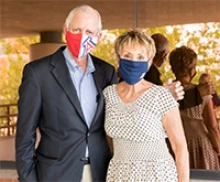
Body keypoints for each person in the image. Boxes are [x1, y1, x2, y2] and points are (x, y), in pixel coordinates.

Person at [16, 5, 118, 182]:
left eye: (89, 32)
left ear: (98, 37)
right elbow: (25, 135)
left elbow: (122, 116)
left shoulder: (107, 73)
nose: (81, 36)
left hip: (100, 172)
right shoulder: (38, 73)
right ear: (65, 29)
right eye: (76, 29)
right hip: (56, 174)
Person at [103, 29, 189, 182]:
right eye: (127, 56)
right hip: (119, 174)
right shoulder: (108, 95)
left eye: (140, 57)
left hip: (157, 174)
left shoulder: (161, 96)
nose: (133, 61)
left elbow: (180, 148)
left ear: (149, 62)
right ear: (118, 58)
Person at [169, 45, 220, 170]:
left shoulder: (168, 93)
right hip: (201, 147)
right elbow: (212, 127)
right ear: (192, 69)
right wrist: (218, 149)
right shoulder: (202, 92)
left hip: (176, 147)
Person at [144, 33, 214, 109]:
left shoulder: (144, 70)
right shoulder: (150, 74)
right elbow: (161, 104)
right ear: (163, 54)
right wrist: (198, 93)